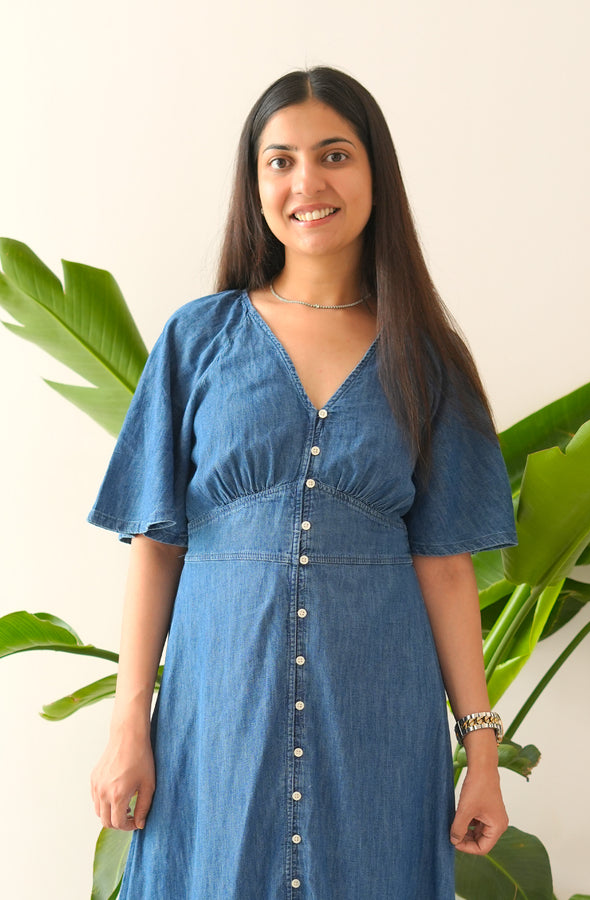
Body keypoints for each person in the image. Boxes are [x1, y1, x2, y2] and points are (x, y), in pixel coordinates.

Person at [88, 66, 517, 899]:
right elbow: (155, 546)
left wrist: (484, 754)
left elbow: (447, 567)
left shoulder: (429, 360)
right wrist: (127, 725)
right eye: (279, 161)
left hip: (379, 722)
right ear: (255, 186)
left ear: (374, 173)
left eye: (333, 155)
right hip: (217, 721)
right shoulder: (198, 340)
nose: (306, 182)